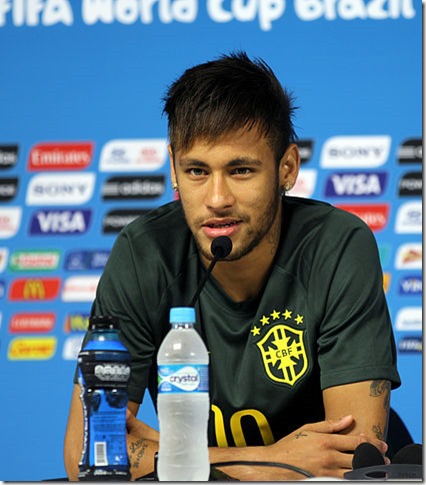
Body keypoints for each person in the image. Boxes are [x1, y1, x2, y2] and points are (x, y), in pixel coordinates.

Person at [64, 51, 401, 481]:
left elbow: (353, 459)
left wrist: (168, 453)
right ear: (172, 168)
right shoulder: (143, 252)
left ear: (287, 168)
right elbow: (85, 453)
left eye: (241, 170)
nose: (217, 198)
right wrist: (273, 462)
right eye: (197, 171)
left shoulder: (337, 245)